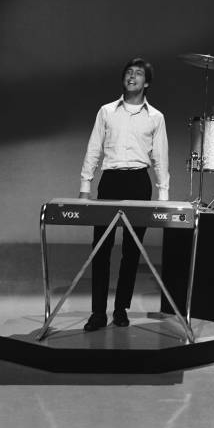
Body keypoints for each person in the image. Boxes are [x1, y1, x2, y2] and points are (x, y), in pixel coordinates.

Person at [79, 57, 170, 331]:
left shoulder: (156, 117)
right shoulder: (106, 111)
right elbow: (94, 148)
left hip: (139, 184)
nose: (132, 77)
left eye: (138, 73)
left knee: (132, 252)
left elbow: (161, 158)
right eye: (128, 73)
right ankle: (97, 313)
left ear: (147, 82)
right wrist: (85, 187)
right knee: (101, 249)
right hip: (110, 182)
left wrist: (163, 196)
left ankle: (121, 309)